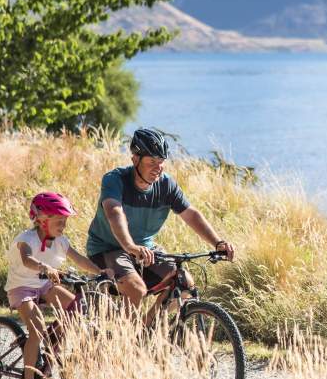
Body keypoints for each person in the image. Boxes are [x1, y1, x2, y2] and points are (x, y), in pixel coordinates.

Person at [85, 128, 234, 326]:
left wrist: (218, 242)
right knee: (136, 288)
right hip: (107, 249)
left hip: (145, 250)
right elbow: (114, 213)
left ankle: (144, 328)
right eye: (151, 162)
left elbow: (191, 214)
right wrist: (130, 246)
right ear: (135, 159)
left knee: (185, 284)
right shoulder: (115, 179)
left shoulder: (166, 185)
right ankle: (123, 337)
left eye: (161, 161)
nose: (158, 168)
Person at [4, 192, 106, 379]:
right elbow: (27, 259)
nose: (63, 225)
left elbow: (80, 260)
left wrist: (101, 272)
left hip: (45, 285)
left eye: (65, 221)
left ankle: (51, 341)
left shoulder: (60, 241)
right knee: (37, 330)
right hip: (22, 287)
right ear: (42, 220)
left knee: (78, 308)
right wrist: (45, 267)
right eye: (59, 221)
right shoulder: (26, 239)